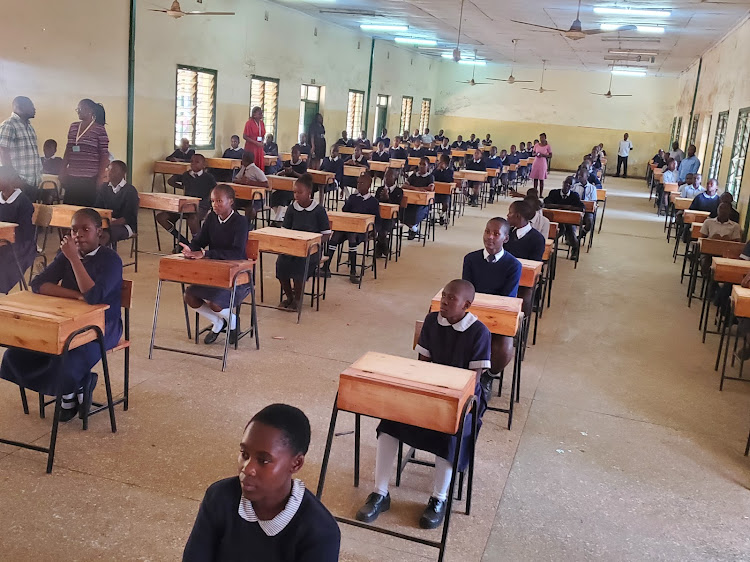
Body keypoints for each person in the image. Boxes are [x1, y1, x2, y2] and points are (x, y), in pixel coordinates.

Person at [356, 279, 491, 530]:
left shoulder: (479, 332)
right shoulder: (432, 321)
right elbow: (421, 365)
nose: (446, 302)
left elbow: (475, 381)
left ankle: (438, 499)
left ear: (467, 305)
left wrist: (447, 399)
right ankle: (380, 492)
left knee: (451, 432)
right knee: (389, 423)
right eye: (444, 296)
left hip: (463, 399)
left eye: (452, 299)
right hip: (430, 389)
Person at [0, 208, 122, 422]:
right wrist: (76, 296)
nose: (79, 235)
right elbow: (38, 284)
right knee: (15, 355)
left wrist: (74, 259)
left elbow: (94, 297)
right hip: (67, 322)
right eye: (74, 230)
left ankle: (69, 392)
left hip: (102, 326)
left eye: (86, 229)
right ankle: (77, 385)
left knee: (64, 360)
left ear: (99, 233)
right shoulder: (65, 256)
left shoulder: (110, 260)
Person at [183, 404, 340, 561]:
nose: (247, 468)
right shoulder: (219, 497)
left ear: (296, 464)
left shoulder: (320, 532)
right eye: (244, 454)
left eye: (263, 460)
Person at [180, 185, 251, 345]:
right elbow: (201, 240)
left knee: (215, 302)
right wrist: (190, 248)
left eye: (219, 201)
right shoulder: (212, 218)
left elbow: (237, 253)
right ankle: (219, 322)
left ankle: (232, 321)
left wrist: (206, 254)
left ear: (231, 201)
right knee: (190, 296)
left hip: (238, 277)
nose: (215, 205)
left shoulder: (240, 221)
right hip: (215, 274)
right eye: (212, 201)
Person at [462, 218, 521, 387]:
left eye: (496, 234)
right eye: (487, 232)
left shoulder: (513, 265)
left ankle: (487, 377)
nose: (490, 237)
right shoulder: (471, 259)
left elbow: (507, 298)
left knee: (503, 345)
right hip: (473, 311)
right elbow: (467, 290)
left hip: (497, 314)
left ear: (506, 238)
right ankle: (462, 374)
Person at [276, 174, 331, 311]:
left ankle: (298, 299)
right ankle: (289, 296)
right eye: (295, 192)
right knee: (281, 263)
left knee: (300, 265)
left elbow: (326, 235)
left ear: (309, 193)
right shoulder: (292, 208)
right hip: (293, 247)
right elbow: (285, 230)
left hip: (311, 250)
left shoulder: (319, 210)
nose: (296, 195)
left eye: (300, 192)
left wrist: (312, 242)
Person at [325, 171, 378, 283]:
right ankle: (326, 267)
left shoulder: (373, 202)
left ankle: (353, 271)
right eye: (358, 183)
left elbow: (376, 220)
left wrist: (374, 231)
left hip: (363, 232)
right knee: (336, 234)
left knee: (352, 235)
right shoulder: (353, 197)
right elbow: (345, 211)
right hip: (348, 228)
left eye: (362, 183)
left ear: (369, 186)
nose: (358, 185)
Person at [156, 154, 216, 245]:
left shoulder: (208, 177)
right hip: (185, 205)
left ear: (204, 165)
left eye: (197, 162)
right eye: (191, 161)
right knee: (161, 217)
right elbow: (171, 181)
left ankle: (196, 243)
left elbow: (214, 191)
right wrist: (182, 186)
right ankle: (182, 241)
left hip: (201, 206)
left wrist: (208, 204)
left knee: (192, 219)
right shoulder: (186, 175)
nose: (193, 164)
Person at [59, 99, 109, 207]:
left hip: (90, 178)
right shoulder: (73, 127)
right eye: (77, 109)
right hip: (72, 176)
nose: (78, 111)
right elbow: (68, 149)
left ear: (90, 110)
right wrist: (62, 169)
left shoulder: (99, 129)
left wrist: (100, 178)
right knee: (70, 208)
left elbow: (104, 155)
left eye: (80, 109)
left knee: (87, 209)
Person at [0, 96, 43, 201]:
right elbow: (3, 152)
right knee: (16, 216)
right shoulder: (9, 125)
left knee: (29, 214)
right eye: (31, 106)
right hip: (17, 181)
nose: (34, 109)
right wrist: (13, 178)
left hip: (32, 182)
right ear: (21, 107)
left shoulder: (30, 127)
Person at [0, 166, 35, 293]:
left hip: (22, 245)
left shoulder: (23, 202)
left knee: (2, 258)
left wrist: (5, 241)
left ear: (9, 180)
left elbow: (26, 233)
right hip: (3, 241)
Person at [94, 160, 139, 247]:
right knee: (91, 232)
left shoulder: (130, 191)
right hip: (106, 223)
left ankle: (106, 258)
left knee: (104, 234)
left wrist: (107, 224)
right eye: (108, 170)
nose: (109, 173)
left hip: (126, 226)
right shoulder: (104, 188)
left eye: (113, 170)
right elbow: (97, 208)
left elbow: (128, 217)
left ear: (123, 173)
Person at [544, 176, 584, 260]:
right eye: (566, 183)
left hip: (568, 221)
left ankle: (574, 251)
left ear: (572, 187)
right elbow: (546, 203)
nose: (567, 186)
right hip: (555, 220)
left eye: (570, 184)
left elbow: (581, 207)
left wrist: (566, 207)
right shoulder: (554, 193)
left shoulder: (574, 196)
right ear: (563, 183)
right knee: (555, 230)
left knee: (571, 232)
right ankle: (547, 248)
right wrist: (562, 206)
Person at [270, 145, 307, 223]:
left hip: (295, 189)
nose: (293, 155)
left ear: (299, 154)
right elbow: (278, 173)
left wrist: (293, 172)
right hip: (284, 187)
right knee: (273, 196)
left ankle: (276, 220)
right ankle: (280, 217)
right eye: (292, 153)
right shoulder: (287, 163)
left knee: (283, 197)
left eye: (296, 153)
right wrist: (283, 172)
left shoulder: (303, 165)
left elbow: (303, 177)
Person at [233, 151, 268, 228]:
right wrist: (240, 181)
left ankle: (247, 225)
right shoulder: (243, 168)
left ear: (246, 160)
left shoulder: (256, 170)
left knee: (250, 209)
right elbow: (235, 179)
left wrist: (251, 182)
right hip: (244, 197)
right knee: (230, 204)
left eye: (243, 159)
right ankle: (240, 221)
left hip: (257, 198)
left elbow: (266, 184)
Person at [402, 157, 434, 240]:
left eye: (424, 164)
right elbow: (404, 185)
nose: (421, 166)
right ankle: (414, 229)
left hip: (423, 204)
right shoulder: (413, 175)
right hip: (410, 202)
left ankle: (413, 229)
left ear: (428, 166)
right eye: (420, 164)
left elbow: (430, 188)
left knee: (415, 215)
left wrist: (412, 187)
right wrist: (417, 189)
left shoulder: (430, 177)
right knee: (401, 213)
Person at [374, 168, 404, 257]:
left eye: (390, 176)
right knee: (374, 228)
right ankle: (385, 247)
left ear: (395, 178)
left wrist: (387, 199)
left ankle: (380, 247)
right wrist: (381, 199)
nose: (386, 178)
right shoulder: (380, 189)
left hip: (392, 218)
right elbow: (375, 204)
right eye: (385, 176)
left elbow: (397, 207)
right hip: (379, 216)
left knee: (383, 231)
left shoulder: (399, 191)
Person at [572, 166, 597, 232]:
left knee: (590, 221)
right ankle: (572, 237)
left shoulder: (592, 188)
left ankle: (581, 235)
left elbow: (593, 202)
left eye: (582, 176)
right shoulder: (575, 187)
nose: (579, 177)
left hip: (587, 211)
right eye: (579, 175)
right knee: (570, 221)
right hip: (576, 209)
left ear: (587, 176)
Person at [242, 107, 266, 179]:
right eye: (259, 113)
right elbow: (245, 136)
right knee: (252, 163)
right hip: (251, 147)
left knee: (259, 164)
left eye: (261, 113)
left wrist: (262, 142)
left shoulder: (262, 123)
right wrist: (255, 143)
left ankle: (260, 178)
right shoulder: (249, 123)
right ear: (254, 114)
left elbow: (263, 134)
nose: (261, 115)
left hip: (259, 147)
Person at [432, 153, 454, 225]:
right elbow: (432, 178)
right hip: (436, 192)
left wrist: (443, 170)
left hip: (445, 193)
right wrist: (437, 170)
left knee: (446, 204)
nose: (439, 163)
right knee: (429, 202)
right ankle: (432, 217)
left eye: (441, 161)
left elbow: (448, 180)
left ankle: (442, 215)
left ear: (446, 163)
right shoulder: (436, 170)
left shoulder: (450, 171)